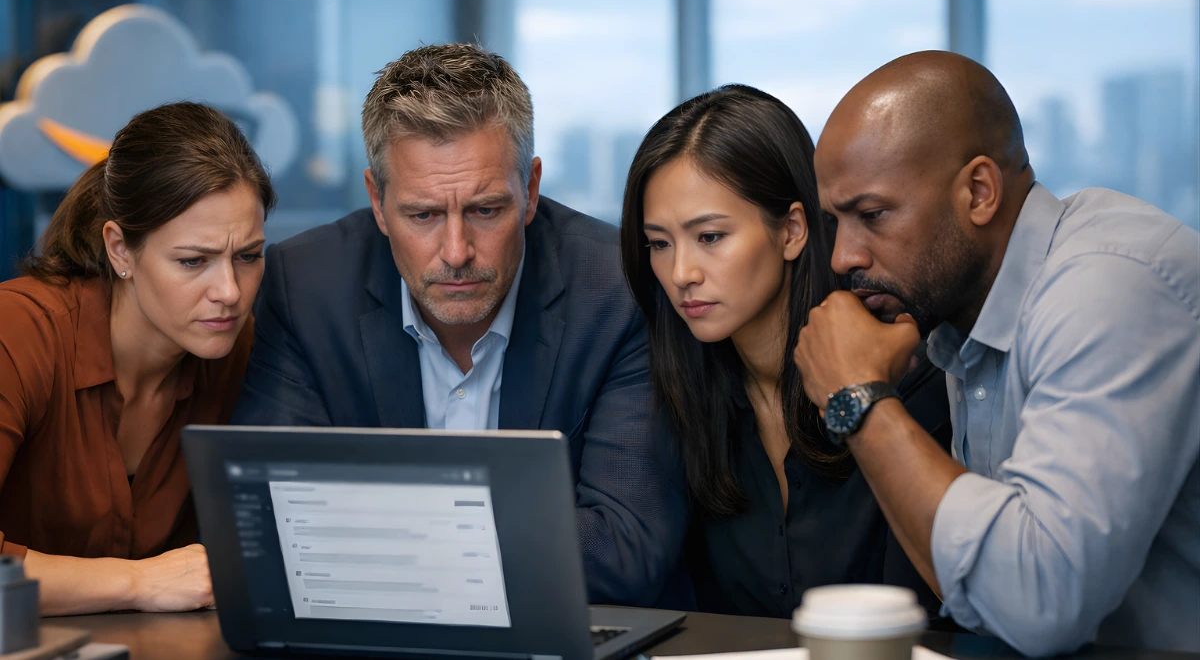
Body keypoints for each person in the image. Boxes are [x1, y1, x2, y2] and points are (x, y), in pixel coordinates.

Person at [231, 43, 688, 605]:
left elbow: (625, 547)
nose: (456, 251)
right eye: (422, 215)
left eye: (485, 210)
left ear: (531, 190)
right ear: (377, 200)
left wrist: (375, 535)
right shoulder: (306, 286)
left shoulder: (618, 289)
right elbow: (271, 521)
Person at [795, 50, 1200, 655]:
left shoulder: (1107, 289)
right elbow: (980, 598)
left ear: (979, 192)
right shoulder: (965, 312)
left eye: (873, 215)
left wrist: (857, 395)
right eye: (836, 221)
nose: (842, 257)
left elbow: (1040, 603)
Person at [619, 84, 952, 617]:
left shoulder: (905, 370)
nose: (681, 274)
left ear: (793, 230)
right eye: (659, 243)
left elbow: (958, 592)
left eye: (709, 236)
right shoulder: (684, 395)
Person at [0, 102, 275, 615]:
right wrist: (139, 582)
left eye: (248, 256)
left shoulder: (237, 351)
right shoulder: (19, 331)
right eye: (193, 261)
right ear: (120, 250)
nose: (229, 292)